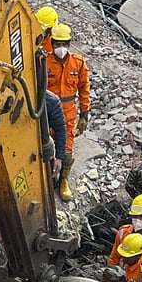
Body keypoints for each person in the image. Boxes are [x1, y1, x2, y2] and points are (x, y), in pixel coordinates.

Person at [46, 23, 91, 202]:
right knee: (46, 148)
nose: (60, 48)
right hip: (47, 115)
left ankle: (63, 180)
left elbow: (84, 89)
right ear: (52, 44)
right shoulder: (44, 61)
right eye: (57, 44)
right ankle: (48, 179)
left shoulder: (78, 64)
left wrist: (84, 113)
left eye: (64, 44)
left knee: (66, 153)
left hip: (69, 115)